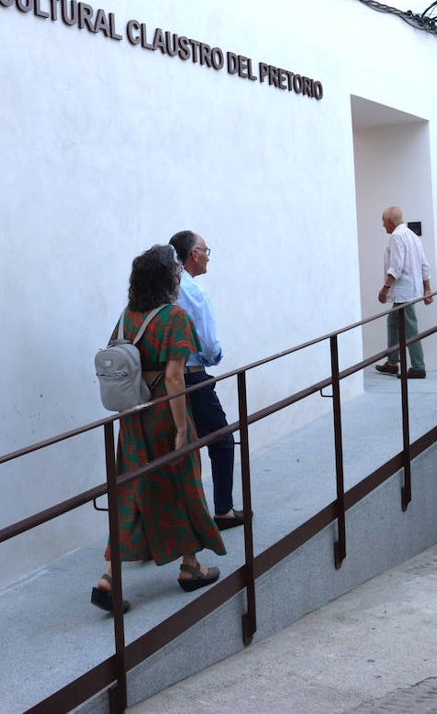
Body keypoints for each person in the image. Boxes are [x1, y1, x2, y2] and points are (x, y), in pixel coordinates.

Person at [92, 244, 225, 613]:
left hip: (132, 418)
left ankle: (108, 578)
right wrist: (182, 428)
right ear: (168, 278)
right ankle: (190, 567)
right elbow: (174, 377)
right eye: (176, 273)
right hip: (164, 415)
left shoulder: (125, 317)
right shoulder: (175, 318)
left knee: (132, 491)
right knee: (183, 482)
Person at [169, 230, 244, 530]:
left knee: (172, 447)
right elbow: (209, 345)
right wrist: (211, 359)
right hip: (190, 376)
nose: (209, 255)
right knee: (221, 440)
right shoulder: (194, 292)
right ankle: (223, 511)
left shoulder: (162, 286)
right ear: (194, 255)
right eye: (205, 250)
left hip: (162, 381)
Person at [375, 206, 434, 378]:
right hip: (411, 289)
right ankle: (393, 361)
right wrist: (427, 288)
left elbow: (396, 267)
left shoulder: (397, 236)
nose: (383, 226)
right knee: (393, 322)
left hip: (403, 291)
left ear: (390, 222)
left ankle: (418, 367)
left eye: (383, 222)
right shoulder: (412, 235)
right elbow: (424, 264)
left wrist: (385, 289)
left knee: (409, 327)